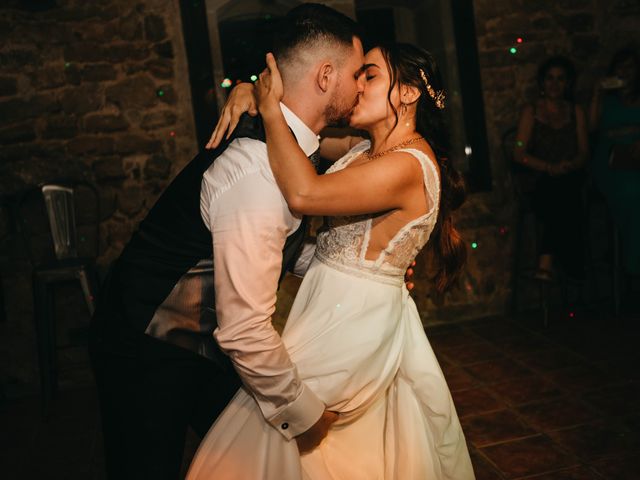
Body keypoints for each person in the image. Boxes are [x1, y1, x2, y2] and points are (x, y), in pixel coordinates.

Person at [88, 5, 367, 478]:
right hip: (144, 345)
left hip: (204, 341)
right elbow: (244, 331)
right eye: (358, 74)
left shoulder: (289, 150)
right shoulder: (254, 175)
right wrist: (304, 415)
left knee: (243, 457)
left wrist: (357, 265)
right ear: (325, 76)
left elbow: (281, 246)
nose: (361, 85)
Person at [186, 43, 475, 479]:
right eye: (357, 75)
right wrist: (249, 89)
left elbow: (304, 192)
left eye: (371, 75)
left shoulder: (408, 165)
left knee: (267, 443)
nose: (358, 86)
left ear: (409, 93)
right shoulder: (363, 149)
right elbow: (303, 127)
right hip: (329, 306)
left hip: (352, 322)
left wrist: (267, 110)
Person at [513, 55, 589, 281]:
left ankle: (546, 260)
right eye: (550, 79)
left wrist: (570, 165)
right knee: (561, 195)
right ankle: (572, 269)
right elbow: (519, 153)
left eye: (560, 79)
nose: (554, 84)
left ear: (567, 83)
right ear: (542, 82)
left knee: (565, 191)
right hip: (539, 179)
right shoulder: (531, 112)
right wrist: (548, 167)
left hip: (570, 176)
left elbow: (584, 152)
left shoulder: (575, 112)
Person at [590, 46, 640, 277]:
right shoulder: (607, 99)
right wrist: (597, 92)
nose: (624, 71)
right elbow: (592, 127)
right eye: (620, 67)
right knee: (633, 194)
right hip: (612, 160)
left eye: (629, 66)